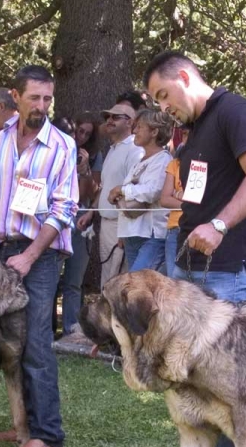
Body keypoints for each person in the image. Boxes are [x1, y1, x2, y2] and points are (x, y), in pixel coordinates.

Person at [143, 51, 246, 447]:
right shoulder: (196, 128)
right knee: (199, 386)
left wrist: (218, 224)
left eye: (164, 94)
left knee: (236, 394)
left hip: (228, 272)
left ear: (184, 77)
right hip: (195, 272)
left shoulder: (234, 111)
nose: (163, 107)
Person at [0, 65, 78, 447]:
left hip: (39, 253)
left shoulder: (62, 146)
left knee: (37, 341)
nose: (41, 105)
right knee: (12, 341)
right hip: (3, 248)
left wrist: (30, 255)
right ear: (16, 96)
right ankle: (23, 425)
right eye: (34, 97)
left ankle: (47, 435)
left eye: (47, 98)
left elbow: (64, 209)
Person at [77, 104, 143, 288]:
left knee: (119, 286)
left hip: (120, 226)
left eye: (115, 117)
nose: (109, 121)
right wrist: (91, 212)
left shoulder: (135, 150)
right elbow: (106, 188)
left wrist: (125, 230)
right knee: (108, 283)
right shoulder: (114, 149)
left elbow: (134, 193)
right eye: (108, 117)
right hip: (106, 225)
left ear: (129, 121)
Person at [108, 109, 172, 271]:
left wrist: (121, 190)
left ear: (154, 132)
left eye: (140, 127)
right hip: (132, 232)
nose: (134, 131)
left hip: (150, 234)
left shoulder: (163, 159)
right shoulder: (140, 160)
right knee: (136, 286)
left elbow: (152, 191)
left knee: (138, 284)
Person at [61, 112, 103, 337]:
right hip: (57, 217)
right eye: (80, 131)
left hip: (80, 218)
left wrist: (84, 170)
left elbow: (88, 193)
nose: (82, 137)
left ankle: (71, 329)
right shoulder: (56, 148)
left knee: (74, 281)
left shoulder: (94, 156)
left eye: (88, 133)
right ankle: (46, 329)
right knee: (48, 279)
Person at [159, 127, 189, 277]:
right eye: (184, 134)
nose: (187, 138)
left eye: (191, 134)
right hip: (174, 228)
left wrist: (176, 194)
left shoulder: (209, 162)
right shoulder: (175, 164)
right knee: (173, 279)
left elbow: (204, 199)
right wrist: (187, 201)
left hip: (197, 228)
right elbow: (164, 199)